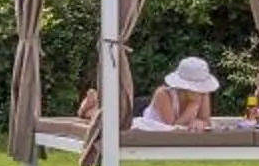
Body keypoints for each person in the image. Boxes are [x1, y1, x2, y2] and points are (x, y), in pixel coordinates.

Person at [80, 56, 221, 132]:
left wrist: (200, 121)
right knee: (107, 117)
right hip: (142, 112)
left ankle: (97, 102)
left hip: (149, 105)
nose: (200, 91)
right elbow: (172, 126)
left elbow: (206, 120)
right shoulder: (163, 94)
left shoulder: (203, 94)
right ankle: (89, 105)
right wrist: (193, 106)